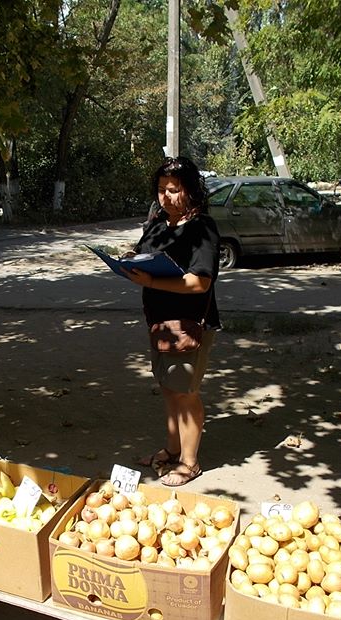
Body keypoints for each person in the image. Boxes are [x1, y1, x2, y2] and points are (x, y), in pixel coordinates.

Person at [125, 156, 220, 487]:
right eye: (162, 189)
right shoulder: (156, 225)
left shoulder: (202, 228)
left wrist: (151, 282)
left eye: (175, 190)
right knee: (169, 391)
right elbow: (143, 256)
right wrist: (127, 263)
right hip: (159, 324)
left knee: (186, 394)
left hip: (190, 324)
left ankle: (190, 463)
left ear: (191, 191)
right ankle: (170, 449)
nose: (167, 196)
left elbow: (200, 282)